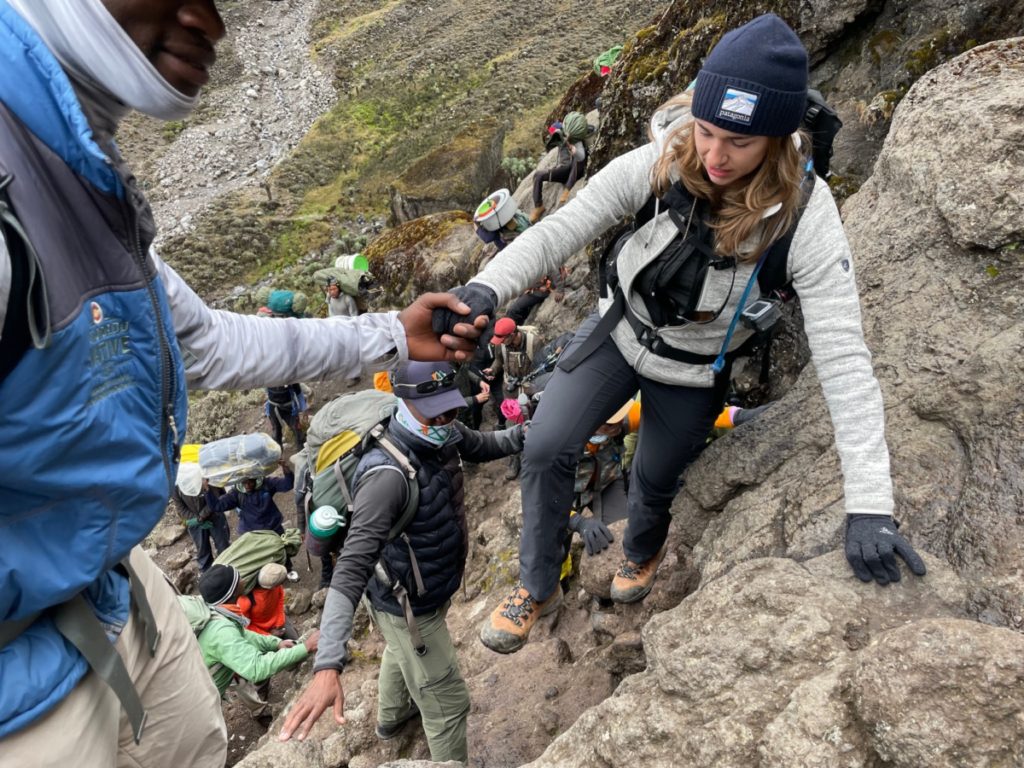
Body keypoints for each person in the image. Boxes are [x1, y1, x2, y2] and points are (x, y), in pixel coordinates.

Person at [0, 1, 486, 763]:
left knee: (201, 742)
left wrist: (393, 333)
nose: (210, 21)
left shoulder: (77, 175)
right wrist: (324, 659)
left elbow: (200, 339)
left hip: (116, 587)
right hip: (18, 681)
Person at [432, 13, 927, 655]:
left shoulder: (805, 217)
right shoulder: (666, 157)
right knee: (547, 445)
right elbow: (567, 224)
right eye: (707, 130)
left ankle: (641, 549)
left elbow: (844, 355)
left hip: (695, 367)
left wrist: (869, 503)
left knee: (657, 476)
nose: (715, 156)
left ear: (777, 140)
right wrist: (487, 288)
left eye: (738, 143)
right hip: (620, 330)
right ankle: (537, 581)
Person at [278, 362, 526, 763]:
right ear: (404, 404)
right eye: (437, 412)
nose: (447, 419)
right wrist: (328, 664)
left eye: (451, 408)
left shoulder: (440, 429)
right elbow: (351, 568)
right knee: (449, 705)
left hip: (415, 591)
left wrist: (522, 434)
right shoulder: (386, 476)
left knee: (399, 650)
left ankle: (392, 719)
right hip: (408, 605)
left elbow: (481, 445)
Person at [191, 564, 317, 699]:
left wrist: (275, 643)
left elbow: (244, 634)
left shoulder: (219, 612)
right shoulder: (222, 633)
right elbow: (257, 667)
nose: (244, 580)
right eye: (239, 578)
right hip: (200, 700)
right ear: (232, 592)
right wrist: (306, 647)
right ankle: (259, 709)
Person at [486, 317, 541, 479]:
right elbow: (498, 360)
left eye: (504, 339)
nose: (501, 343)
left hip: (530, 388)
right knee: (512, 424)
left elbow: (542, 367)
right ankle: (514, 459)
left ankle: (534, 455)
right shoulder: (502, 344)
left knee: (533, 421)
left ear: (514, 334)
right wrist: (493, 370)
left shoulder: (534, 343)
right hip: (510, 388)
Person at [530, 113, 590, 223]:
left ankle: (567, 189)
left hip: (574, 171)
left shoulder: (576, 140)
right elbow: (553, 131)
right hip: (562, 171)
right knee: (538, 175)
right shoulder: (561, 138)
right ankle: (538, 206)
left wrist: (574, 149)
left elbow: (581, 155)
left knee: (578, 159)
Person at [172, 463, 231, 573]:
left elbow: (216, 498)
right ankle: (207, 575)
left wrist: (201, 516)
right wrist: (197, 520)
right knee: (202, 551)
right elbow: (180, 508)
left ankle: (228, 572)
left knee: (223, 546)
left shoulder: (206, 477)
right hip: (195, 523)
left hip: (215, 516)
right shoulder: (176, 487)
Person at [222, 563, 295, 638]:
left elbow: (280, 600)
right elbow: (246, 626)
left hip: (278, 621)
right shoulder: (246, 600)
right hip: (260, 632)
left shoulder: (276, 585)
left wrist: (279, 623)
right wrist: (269, 635)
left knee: (296, 641)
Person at [265, 382, 308, 450]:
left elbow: (298, 392)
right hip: (274, 408)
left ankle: (302, 452)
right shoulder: (269, 377)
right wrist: (268, 412)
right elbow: (267, 394)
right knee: (276, 433)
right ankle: (278, 456)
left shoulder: (289, 376)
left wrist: (304, 409)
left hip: (290, 408)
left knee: (297, 430)